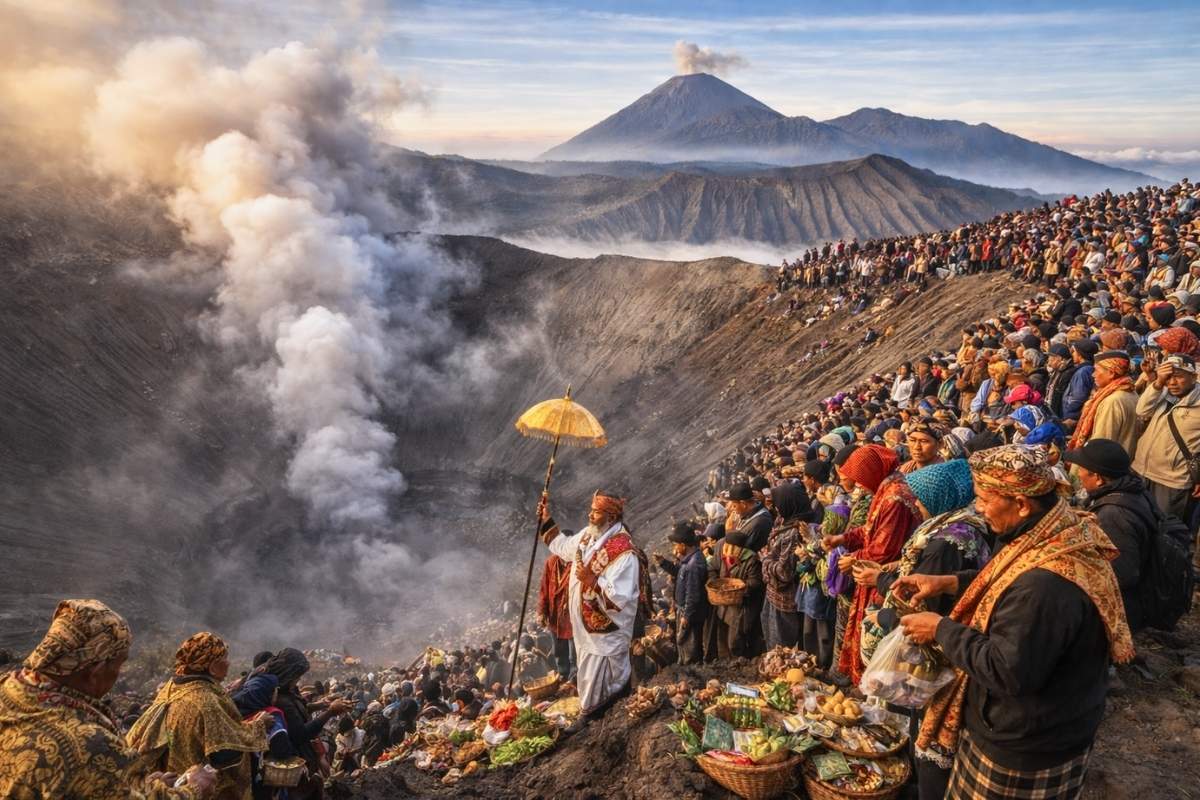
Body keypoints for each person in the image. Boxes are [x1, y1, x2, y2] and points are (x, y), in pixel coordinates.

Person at [898, 445, 1133, 799]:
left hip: (1026, 743)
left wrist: (940, 629)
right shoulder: (1051, 531)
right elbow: (1004, 577)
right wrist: (950, 582)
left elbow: (1008, 669)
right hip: (1044, 725)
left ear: (1021, 503)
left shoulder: (1045, 586)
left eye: (983, 499)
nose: (977, 508)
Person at [854, 460, 989, 800]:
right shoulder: (963, 526)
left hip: (929, 657)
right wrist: (887, 573)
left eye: (920, 497)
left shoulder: (946, 544)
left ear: (941, 496)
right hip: (948, 645)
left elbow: (923, 611)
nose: (914, 503)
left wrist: (882, 608)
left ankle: (908, 782)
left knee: (915, 731)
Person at [0, 599, 215, 800]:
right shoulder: (89, 744)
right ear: (97, 670)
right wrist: (193, 789)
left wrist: (141, 783)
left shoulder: (7, 686)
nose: (119, 674)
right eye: (119, 665)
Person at [538, 490, 643, 724]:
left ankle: (595, 715)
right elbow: (564, 547)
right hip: (585, 628)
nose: (590, 515)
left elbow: (620, 598)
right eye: (591, 510)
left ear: (611, 517)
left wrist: (591, 581)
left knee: (604, 675)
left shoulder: (624, 552)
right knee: (588, 672)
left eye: (596, 512)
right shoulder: (588, 535)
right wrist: (546, 519)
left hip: (605, 632)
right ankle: (595, 711)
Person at [126, 632, 269, 800]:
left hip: (175, 781)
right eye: (224, 658)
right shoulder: (206, 701)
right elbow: (223, 753)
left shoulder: (173, 687)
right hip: (203, 788)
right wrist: (258, 726)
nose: (229, 663)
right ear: (212, 666)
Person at [823, 445, 922, 683]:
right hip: (875, 575)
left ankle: (868, 687)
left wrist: (852, 559)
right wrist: (843, 538)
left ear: (871, 472)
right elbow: (870, 531)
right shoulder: (885, 488)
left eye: (860, 479)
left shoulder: (893, 498)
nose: (858, 485)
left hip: (883, 578)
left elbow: (883, 549)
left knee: (876, 639)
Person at [1064, 438, 1153, 632]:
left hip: (1126, 607)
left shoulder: (1113, 515)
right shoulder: (1132, 488)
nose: (1078, 475)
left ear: (1098, 478)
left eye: (1081, 470)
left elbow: (1122, 575)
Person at [264, 649, 351, 799]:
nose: (298, 680)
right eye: (297, 677)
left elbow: (301, 708)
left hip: (305, 758)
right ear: (289, 673)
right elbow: (301, 734)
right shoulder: (280, 699)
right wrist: (330, 711)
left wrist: (321, 705)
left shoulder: (287, 691)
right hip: (294, 762)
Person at [1132, 353, 1200, 533]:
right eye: (1168, 377)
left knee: (1166, 534)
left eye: (1178, 377)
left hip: (1172, 480)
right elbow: (1141, 410)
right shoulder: (1162, 392)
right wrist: (1157, 382)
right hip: (1142, 471)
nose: (1172, 383)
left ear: (1193, 377)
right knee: (1140, 526)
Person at [758, 482, 812, 649]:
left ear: (789, 504)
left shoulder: (793, 533)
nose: (776, 508)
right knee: (771, 637)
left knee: (780, 646)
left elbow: (784, 572)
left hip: (784, 599)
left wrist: (766, 559)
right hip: (774, 595)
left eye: (778, 504)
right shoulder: (786, 520)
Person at [230, 673, 295, 800]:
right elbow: (282, 751)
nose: (277, 694)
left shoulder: (234, 713)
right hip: (265, 780)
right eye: (275, 690)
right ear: (268, 694)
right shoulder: (271, 716)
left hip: (239, 779)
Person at [707, 519, 765, 657]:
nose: (727, 551)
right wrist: (714, 580)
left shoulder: (751, 561)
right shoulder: (723, 556)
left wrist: (740, 586)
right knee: (723, 638)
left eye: (731, 548)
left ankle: (742, 661)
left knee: (736, 640)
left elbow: (755, 582)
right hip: (724, 605)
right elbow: (712, 567)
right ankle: (728, 662)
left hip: (741, 606)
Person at [655, 521, 708, 665]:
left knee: (689, 645)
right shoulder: (689, 561)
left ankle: (692, 671)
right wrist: (663, 563)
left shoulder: (693, 565)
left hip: (690, 612)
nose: (675, 549)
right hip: (685, 610)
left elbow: (693, 594)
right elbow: (679, 574)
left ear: (683, 545)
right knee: (684, 643)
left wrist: (686, 616)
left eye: (676, 545)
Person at [1068, 350, 1139, 456]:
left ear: (1111, 373)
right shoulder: (1130, 392)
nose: (1093, 375)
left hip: (1103, 466)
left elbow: (1101, 442)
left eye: (1096, 370)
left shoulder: (1112, 401)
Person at [537, 549, 575, 681]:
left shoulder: (578, 560)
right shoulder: (551, 562)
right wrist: (542, 611)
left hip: (572, 614)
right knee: (559, 649)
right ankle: (564, 675)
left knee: (574, 650)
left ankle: (575, 677)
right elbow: (544, 587)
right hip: (555, 613)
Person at [723, 481, 773, 551]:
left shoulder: (759, 522)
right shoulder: (747, 514)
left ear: (743, 504)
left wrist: (729, 531)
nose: (733, 509)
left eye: (734, 506)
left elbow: (742, 550)